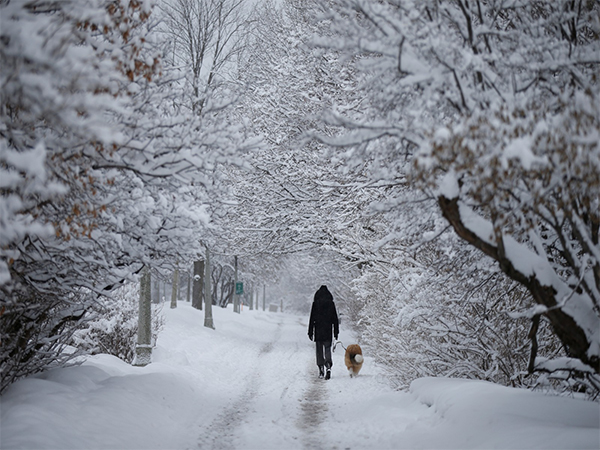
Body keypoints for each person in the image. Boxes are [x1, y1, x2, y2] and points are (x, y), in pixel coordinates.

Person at [308, 285, 339, 380]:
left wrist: (310, 332)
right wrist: (336, 332)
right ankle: (328, 366)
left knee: (319, 351)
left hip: (318, 330)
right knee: (327, 349)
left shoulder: (315, 304)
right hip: (328, 330)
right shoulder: (331, 304)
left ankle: (321, 368)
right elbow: (335, 319)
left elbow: (312, 318)